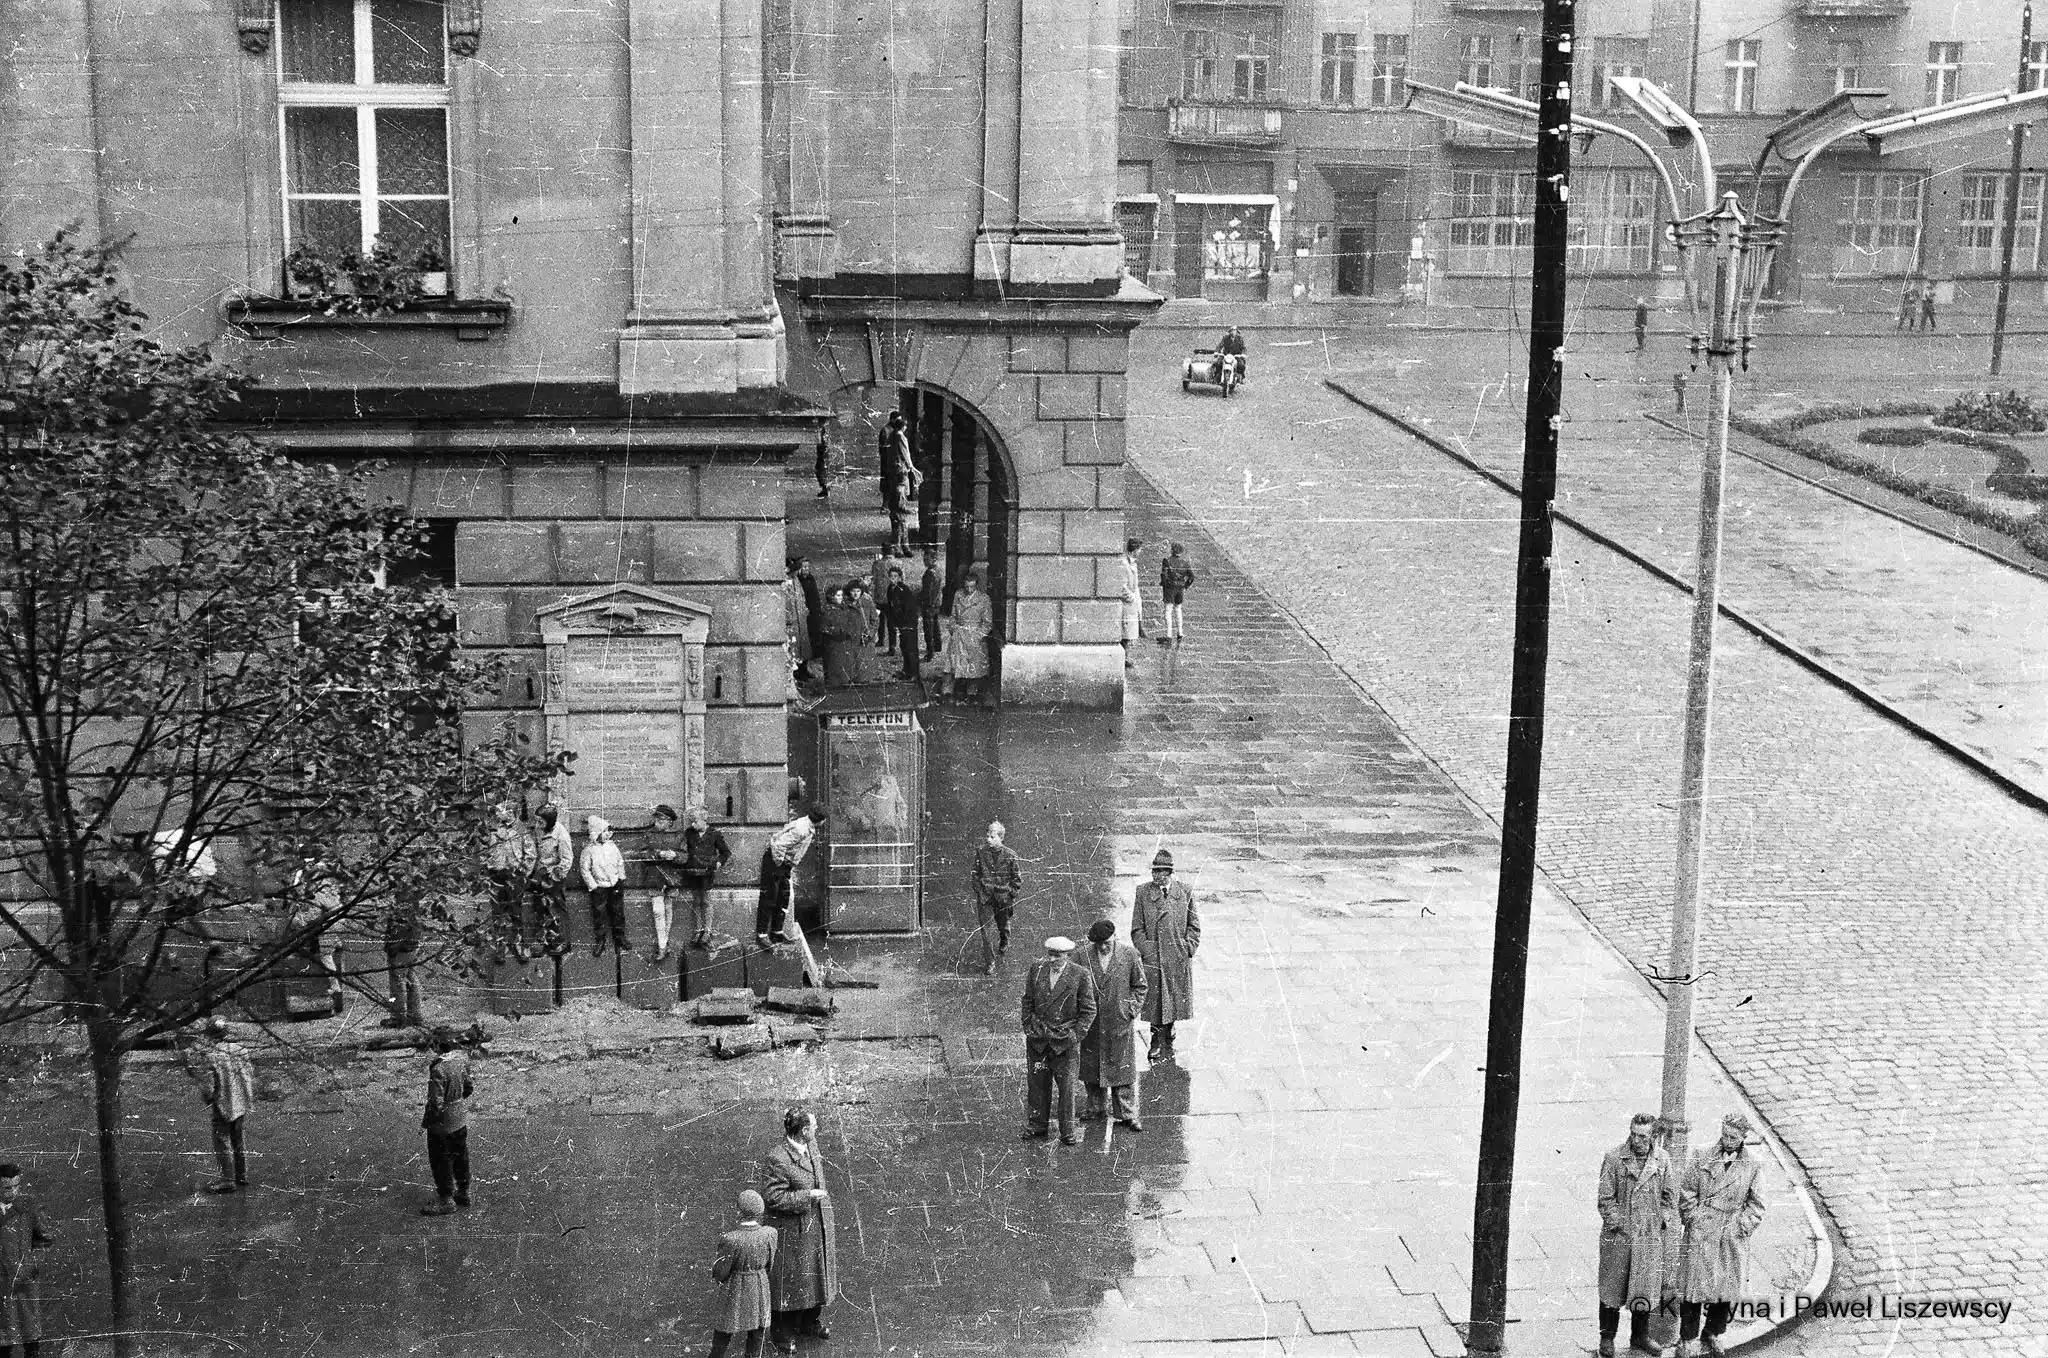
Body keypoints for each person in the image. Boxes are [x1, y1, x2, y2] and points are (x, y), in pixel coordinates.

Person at [1676, 1115, 1766, 1357]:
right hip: (1702, 1230)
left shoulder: (1753, 1164)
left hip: (1730, 1232)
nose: (1727, 1140)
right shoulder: (1702, 1153)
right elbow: (1686, 1191)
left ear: (1743, 1138)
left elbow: (1757, 1205)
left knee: (1725, 1290)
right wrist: (1693, 1218)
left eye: (1733, 1137)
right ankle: (1687, 1339)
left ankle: (1713, 1332)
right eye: (1724, 1134)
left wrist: (1740, 1227)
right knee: (1692, 1289)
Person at [1597, 1113, 1677, 1357]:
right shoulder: (1614, 1158)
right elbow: (1605, 1198)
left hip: (1648, 1236)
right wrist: (1618, 1223)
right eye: (1633, 1133)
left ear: (1652, 1136)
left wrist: (1660, 1220)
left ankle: (1640, 1336)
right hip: (1620, 1236)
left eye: (1642, 1136)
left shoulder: (1662, 1160)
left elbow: (1669, 1196)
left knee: (1643, 1289)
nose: (1637, 1140)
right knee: (1612, 1288)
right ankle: (1607, 1338)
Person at [761, 1108, 837, 1352]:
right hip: (794, 1232)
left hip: (817, 1224)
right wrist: (807, 1196)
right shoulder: (778, 1158)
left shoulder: (810, 1145)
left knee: (817, 1276)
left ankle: (808, 1321)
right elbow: (772, 1197)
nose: (817, 1129)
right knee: (789, 1282)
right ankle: (781, 1332)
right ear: (804, 1130)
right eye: (814, 1126)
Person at [1021, 936, 1096, 1146]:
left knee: (1067, 1088)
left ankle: (1067, 1131)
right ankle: (1037, 1125)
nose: (1052, 959)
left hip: (1065, 1042)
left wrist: (1074, 1036)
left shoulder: (1080, 975)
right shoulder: (1036, 969)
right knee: (1037, 1085)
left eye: (1057, 955)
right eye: (1050, 954)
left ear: (1067, 955)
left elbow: (1089, 1010)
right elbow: (1027, 1000)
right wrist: (1028, 1027)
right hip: (1039, 1039)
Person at [1130, 848, 1198, 1065]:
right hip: (1155, 958)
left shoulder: (1185, 892)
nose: (1156, 876)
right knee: (1156, 1002)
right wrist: (1148, 950)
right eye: (1154, 871)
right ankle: (1156, 1040)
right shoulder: (1143, 893)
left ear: (1170, 873)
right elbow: (1137, 929)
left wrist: (1188, 947)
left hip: (1177, 957)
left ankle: (1168, 1029)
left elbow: (1194, 926)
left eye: (1160, 872)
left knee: (1173, 1000)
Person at [1079, 919, 1148, 1131]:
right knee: (1092, 1066)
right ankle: (1095, 1108)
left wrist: (1130, 1010)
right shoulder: (1082, 956)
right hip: (1092, 1022)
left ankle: (1127, 1113)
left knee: (1122, 1068)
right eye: (1097, 943)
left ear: (1114, 937)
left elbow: (1140, 986)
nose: (1102, 946)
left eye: (1106, 942)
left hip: (1119, 1022)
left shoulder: (1129, 955)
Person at [708, 1189, 779, 1358]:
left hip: (735, 1286)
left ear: (739, 1212)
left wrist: (720, 1278)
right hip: (759, 1284)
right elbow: (770, 1263)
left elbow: (721, 1270)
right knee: (757, 1329)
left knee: (725, 1327)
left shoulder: (731, 1239)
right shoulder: (770, 1233)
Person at [190, 1016, 256, 1193]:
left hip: (223, 1102)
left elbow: (209, 1085)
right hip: (241, 1101)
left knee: (222, 1140)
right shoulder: (241, 1050)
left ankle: (228, 1179)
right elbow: (249, 1073)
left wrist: (208, 1098)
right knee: (238, 1138)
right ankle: (242, 1174)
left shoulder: (211, 1056)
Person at [0, 1165, 53, 1358]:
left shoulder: (29, 1207)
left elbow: (45, 1240)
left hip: (24, 1285)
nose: (13, 1192)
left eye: (16, 1186)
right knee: (4, 1342)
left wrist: (31, 1265)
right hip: (1, 1285)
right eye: (7, 1188)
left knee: (30, 1340)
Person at [419, 1027, 473, 1216]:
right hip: (460, 1117)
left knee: (440, 1159)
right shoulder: (461, 1061)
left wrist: (429, 1121)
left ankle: (446, 1199)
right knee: (460, 1155)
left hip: (442, 1123)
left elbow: (436, 1102)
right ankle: (464, 1191)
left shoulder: (438, 1068)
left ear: (436, 1046)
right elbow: (468, 1088)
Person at [757, 809, 826, 949]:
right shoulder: (802, 829)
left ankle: (777, 932)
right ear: (820, 820)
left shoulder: (807, 825)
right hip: (776, 862)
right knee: (770, 898)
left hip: (783, 864)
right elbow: (778, 845)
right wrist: (780, 864)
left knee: (783, 898)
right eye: (824, 819)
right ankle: (762, 934)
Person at [287, 857, 347, 1015]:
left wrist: (296, 920)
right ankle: (336, 991)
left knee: (326, 957)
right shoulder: (329, 885)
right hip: (336, 922)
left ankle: (336, 991)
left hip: (329, 925)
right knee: (331, 953)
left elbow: (311, 916)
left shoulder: (319, 892)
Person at [483, 802, 536, 962]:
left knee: (515, 912)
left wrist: (523, 875)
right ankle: (500, 945)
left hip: (515, 877)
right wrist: (487, 869)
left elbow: (530, 854)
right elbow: (483, 851)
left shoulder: (521, 830)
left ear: (511, 813)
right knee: (497, 912)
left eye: (501, 811)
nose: (497, 813)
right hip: (496, 876)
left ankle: (518, 943)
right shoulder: (492, 829)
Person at [970, 820, 1022, 973]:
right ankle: (990, 961)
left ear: (1001, 838)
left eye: (992, 837)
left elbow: (1016, 880)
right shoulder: (981, 852)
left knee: (1003, 926)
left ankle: (1004, 940)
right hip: (985, 898)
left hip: (1003, 898)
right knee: (985, 931)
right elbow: (975, 874)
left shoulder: (1011, 855)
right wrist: (980, 892)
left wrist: (1010, 895)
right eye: (987, 836)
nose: (988, 839)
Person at [677, 806, 732, 948]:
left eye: (695, 821)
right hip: (693, 871)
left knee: (706, 901)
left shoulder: (714, 834)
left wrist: (719, 862)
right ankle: (698, 930)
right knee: (696, 901)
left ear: (704, 820)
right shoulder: (689, 833)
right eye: (691, 822)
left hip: (707, 872)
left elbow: (726, 852)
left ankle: (707, 930)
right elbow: (683, 850)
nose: (692, 824)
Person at [581, 814, 629, 958]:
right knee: (599, 913)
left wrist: (620, 878)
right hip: (599, 886)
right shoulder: (589, 850)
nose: (608, 834)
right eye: (604, 831)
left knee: (617, 911)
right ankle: (600, 940)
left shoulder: (612, 847)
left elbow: (620, 862)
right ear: (596, 834)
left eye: (609, 831)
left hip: (614, 884)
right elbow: (585, 869)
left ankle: (620, 937)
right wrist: (593, 886)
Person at [643, 805, 685, 964]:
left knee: (668, 909)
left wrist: (674, 855)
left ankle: (663, 944)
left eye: (661, 820)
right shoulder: (649, 834)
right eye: (656, 819)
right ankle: (662, 944)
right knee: (657, 911)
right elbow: (642, 854)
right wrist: (658, 854)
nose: (657, 823)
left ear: (669, 822)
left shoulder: (679, 836)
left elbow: (685, 856)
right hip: (654, 876)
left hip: (672, 876)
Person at [532, 804, 574, 956]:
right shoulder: (540, 830)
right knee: (543, 909)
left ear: (549, 821)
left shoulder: (561, 835)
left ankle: (563, 942)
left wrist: (554, 877)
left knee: (557, 909)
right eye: (536, 821)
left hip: (553, 878)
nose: (537, 825)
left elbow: (567, 860)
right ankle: (547, 941)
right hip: (540, 876)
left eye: (540, 822)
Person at [946, 570, 993, 704]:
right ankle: (957, 691)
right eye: (966, 586)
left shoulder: (984, 599)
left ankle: (972, 693)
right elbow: (952, 616)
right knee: (955, 664)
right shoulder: (958, 595)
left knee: (974, 666)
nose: (968, 589)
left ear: (976, 585)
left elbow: (988, 623)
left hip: (974, 636)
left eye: (972, 587)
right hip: (959, 634)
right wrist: (953, 628)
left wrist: (978, 636)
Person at [382, 895, 424, 1028]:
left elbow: (397, 924)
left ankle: (398, 1018)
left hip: (400, 945)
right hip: (412, 942)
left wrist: (392, 945)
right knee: (411, 978)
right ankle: (415, 1015)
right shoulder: (414, 895)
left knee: (398, 981)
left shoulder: (401, 898)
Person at [884, 565, 922, 681]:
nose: (892, 579)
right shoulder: (890, 588)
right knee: (904, 647)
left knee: (910, 648)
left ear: (900, 577)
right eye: (890, 576)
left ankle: (914, 673)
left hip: (908, 622)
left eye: (895, 576)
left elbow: (909, 607)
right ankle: (906, 670)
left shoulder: (904, 590)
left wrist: (905, 622)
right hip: (900, 622)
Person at [1157, 542, 1194, 645]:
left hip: (1169, 588)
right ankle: (1180, 633)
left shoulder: (1167, 561)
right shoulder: (1185, 563)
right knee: (1178, 609)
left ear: (1172, 550)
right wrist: (1185, 586)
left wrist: (1164, 585)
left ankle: (1168, 635)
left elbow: (1164, 575)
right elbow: (1191, 577)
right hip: (1180, 589)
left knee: (1168, 611)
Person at [783, 561, 813, 686]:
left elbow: (801, 596)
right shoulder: (785, 581)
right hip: (792, 619)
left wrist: (805, 608)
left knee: (803, 646)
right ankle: (796, 674)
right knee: (794, 647)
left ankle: (803, 670)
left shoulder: (796, 580)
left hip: (800, 617)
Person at [1118, 538, 1143, 670]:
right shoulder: (1124, 564)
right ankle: (1124, 658)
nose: (1140, 551)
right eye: (1139, 549)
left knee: (1130, 632)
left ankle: (1125, 657)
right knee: (1126, 633)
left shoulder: (1132, 563)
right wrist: (1132, 597)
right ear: (1134, 550)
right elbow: (1122, 586)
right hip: (1127, 604)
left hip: (1133, 603)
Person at [918, 547, 944, 661]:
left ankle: (930, 652)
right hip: (937, 602)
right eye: (924, 559)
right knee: (936, 625)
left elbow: (926, 592)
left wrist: (920, 602)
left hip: (929, 604)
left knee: (928, 629)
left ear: (934, 560)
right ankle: (938, 646)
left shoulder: (929, 573)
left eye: (927, 559)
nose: (924, 561)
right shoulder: (938, 570)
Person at [868, 552, 895, 654]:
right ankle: (892, 646)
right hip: (892, 597)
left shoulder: (877, 564)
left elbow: (873, 581)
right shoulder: (898, 563)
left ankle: (881, 640)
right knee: (891, 624)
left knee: (880, 619)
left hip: (880, 596)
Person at [812, 430, 830, 499]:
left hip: (823, 454)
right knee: (820, 468)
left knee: (820, 468)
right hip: (822, 452)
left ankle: (825, 488)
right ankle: (825, 488)